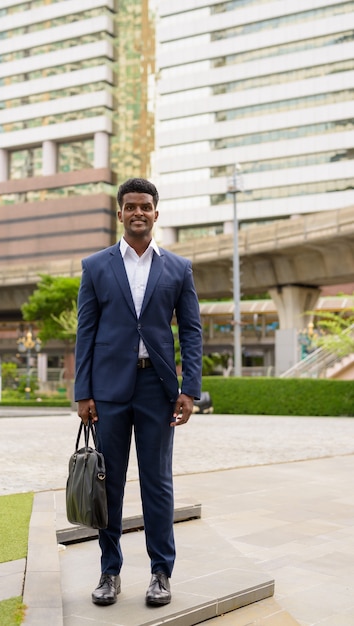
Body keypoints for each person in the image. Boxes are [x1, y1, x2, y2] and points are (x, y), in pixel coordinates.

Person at [74, 177, 202, 607]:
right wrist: (83, 391)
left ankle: (161, 573)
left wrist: (191, 389)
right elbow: (85, 333)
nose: (138, 213)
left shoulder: (178, 268)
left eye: (145, 206)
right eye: (130, 206)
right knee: (107, 486)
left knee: (157, 484)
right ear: (120, 213)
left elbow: (191, 331)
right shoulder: (95, 266)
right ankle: (109, 573)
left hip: (158, 389)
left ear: (156, 213)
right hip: (108, 392)